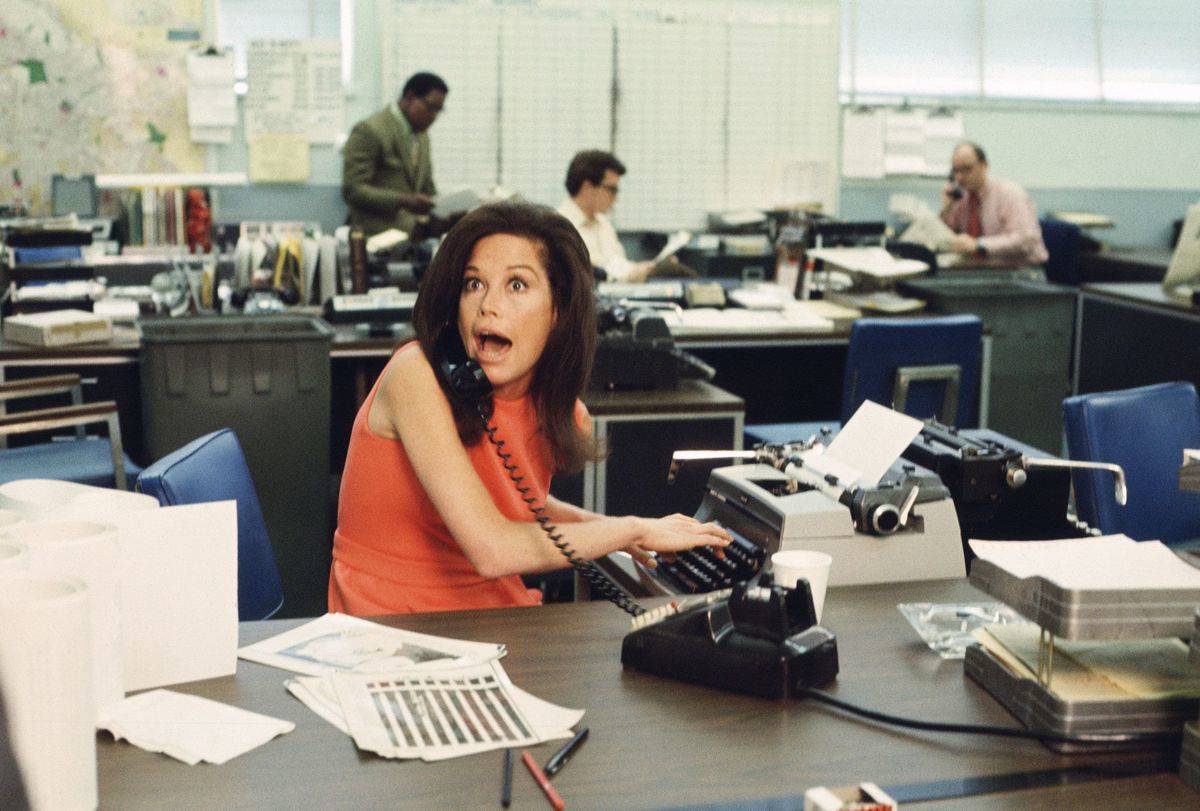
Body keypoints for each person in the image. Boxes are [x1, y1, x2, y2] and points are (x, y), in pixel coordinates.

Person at [329, 201, 730, 615]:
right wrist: (632, 530)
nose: (488, 305)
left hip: (488, 611)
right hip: (390, 621)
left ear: (559, 312)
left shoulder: (557, 410)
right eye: (473, 284)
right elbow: (492, 549)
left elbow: (521, 503)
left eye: (517, 285)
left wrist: (626, 534)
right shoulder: (415, 375)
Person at [342, 72, 447, 238]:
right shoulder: (370, 130)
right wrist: (404, 200)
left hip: (413, 235)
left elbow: (427, 187)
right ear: (410, 97)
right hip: (375, 236)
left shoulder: (422, 136)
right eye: (431, 107)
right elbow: (353, 190)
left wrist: (444, 208)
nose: (434, 116)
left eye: (439, 110)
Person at [939, 141, 1048, 267]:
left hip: (1022, 270)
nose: (959, 177)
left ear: (984, 166)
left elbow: (1025, 240)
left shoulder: (1010, 194)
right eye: (956, 171)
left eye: (967, 169)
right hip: (983, 270)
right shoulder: (961, 199)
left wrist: (979, 245)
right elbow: (946, 240)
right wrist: (946, 208)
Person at [557, 150, 655, 282]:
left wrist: (645, 269)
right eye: (612, 190)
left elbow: (618, 264)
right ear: (587, 188)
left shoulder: (603, 223)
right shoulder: (560, 226)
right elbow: (595, 273)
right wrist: (633, 272)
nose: (616, 198)